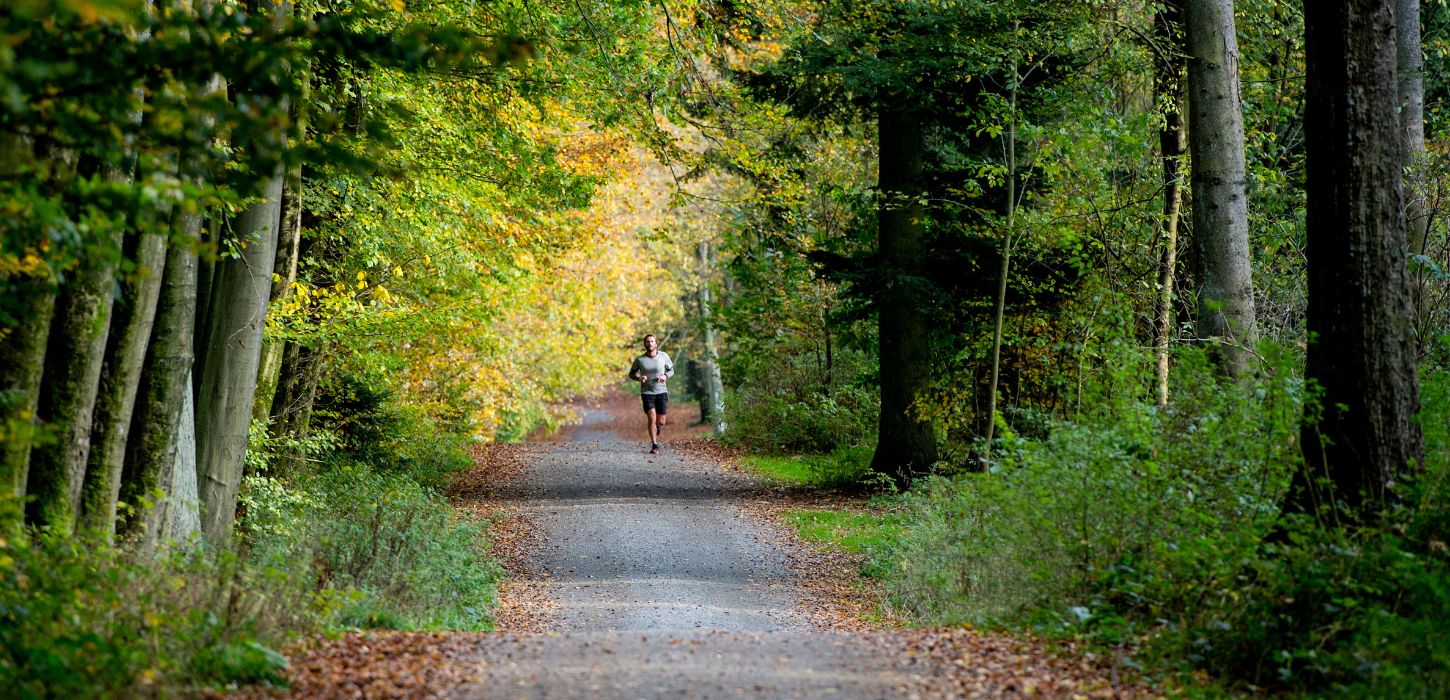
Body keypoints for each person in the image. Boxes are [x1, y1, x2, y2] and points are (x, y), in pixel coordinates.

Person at [628, 333, 673, 454]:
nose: (650, 343)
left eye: (652, 341)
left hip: (661, 391)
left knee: (661, 421)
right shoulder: (640, 359)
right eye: (647, 341)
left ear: (656, 343)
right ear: (645, 344)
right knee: (651, 416)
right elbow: (631, 374)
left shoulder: (663, 356)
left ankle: (658, 427)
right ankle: (654, 445)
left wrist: (665, 375)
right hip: (647, 392)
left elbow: (671, 370)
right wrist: (639, 378)